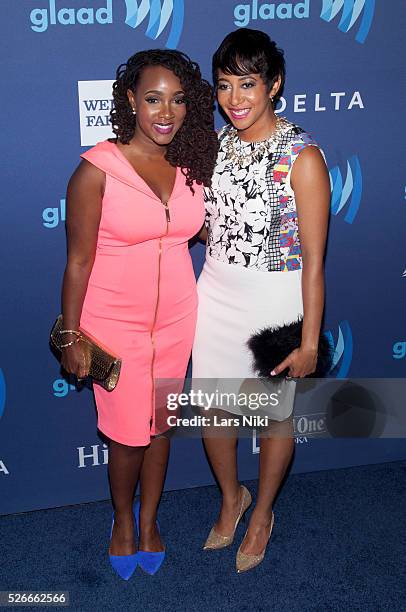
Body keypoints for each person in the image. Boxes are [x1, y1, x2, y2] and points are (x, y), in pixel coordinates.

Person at [60, 49, 217, 580]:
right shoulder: (96, 171)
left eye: (177, 100)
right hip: (114, 327)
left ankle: (151, 521)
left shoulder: (193, 163)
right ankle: (123, 521)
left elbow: (194, 226)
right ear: (131, 100)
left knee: (161, 429)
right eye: (153, 98)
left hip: (177, 321)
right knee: (128, 435)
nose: (165, 112)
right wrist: (69, 334)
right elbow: (78, 260)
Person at [192, 29, 330, 572]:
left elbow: (315, 262)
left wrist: (310, 341)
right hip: (216, 292)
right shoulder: (216, 144)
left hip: (275, 303)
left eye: (247, 84)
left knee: (275, 419)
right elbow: (211, 224)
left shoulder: (304, 156)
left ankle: (263, 512)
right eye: (225, 86)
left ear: (274, 85)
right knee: (212, 409)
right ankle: (232, 499)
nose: (234, 99)